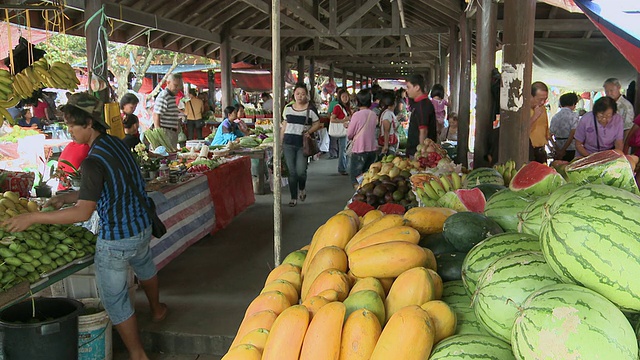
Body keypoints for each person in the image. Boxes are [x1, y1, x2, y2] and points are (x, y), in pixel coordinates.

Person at [2, 92, 167, 360]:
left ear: (89, 123)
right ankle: (158, 310)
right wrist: (66, 197)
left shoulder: (92, 161)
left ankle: (138, 354)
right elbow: (110, 185)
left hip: (115, 239)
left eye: (72, 126)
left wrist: (31, 217)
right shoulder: (115, 143)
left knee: (115, 299)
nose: (69, 132)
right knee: (145, 266)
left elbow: (82, 213)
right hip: (140, 225)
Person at [280, 83, 323, 207]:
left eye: (303, 94)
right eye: (298, 93)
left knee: (301, 171)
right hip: (288, 143)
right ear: (294, 94)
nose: (300, 96)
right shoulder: (287, 108)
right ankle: (293, 197)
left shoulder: (310, 109)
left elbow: (317, 123)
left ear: (307, 95)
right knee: (291, 172)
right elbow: (284, 126)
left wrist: (309, 131)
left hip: (302, 145)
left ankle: (302, 188)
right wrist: (280, 143)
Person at [348, 89, 378, 188]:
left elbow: (350, 134)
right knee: (368, 176)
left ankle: (359, 194)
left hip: (359, 149)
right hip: (372, 149)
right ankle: (365, 192)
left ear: (357, 101)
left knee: (356, 177)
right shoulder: (373, 114)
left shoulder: (356, 115)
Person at [405, 74, 437, 157]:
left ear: (417, 87)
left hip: (417, 153)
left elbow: (423, 131)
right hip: (414, 151)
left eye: (408, 87)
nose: (407, 90)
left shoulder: (422, 105)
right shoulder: (419, 104)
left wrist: (421, 154)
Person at [153, 74, 183, 148]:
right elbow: (156, 114)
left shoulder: (171, 96)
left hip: (171, 132)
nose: (178, 88)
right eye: (175, 85)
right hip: (165, 132)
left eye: (179, 86)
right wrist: (159, 133)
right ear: (168, 83)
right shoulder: (164, 96)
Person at [549, 92, 580, 161]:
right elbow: (572, 134)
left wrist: (557, 149)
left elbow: (549, 135)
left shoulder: (555, 117)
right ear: (573, 103)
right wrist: (563, 150)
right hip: (571, 148)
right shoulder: (574, 116)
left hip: (558, 148)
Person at [329, 88, 352, 175]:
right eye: (343, 96)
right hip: (342, 131)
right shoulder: (338, 107)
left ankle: (343, 167)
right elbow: (332, 119)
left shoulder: (347, 107)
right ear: (340, 98)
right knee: (343, 149)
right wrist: (343, 120)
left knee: (345, 149)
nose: (345, 98)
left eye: (346, 96)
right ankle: (342, 168)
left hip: (346, 130)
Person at [529, 81, 550, 164]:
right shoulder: (522, 110)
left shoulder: (542, 108)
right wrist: (535, 116)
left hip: (541, 150)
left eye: (545, 99)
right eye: (540, 99)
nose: (542, 102)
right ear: (531, 96)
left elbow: (545, 129)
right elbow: (523, 132)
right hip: (529, 150)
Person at [378, 90, 398, 155]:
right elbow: (386, 131)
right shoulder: (387, 114)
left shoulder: (389, 113)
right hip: (389, 146)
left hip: (391, 145)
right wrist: (386, 145)